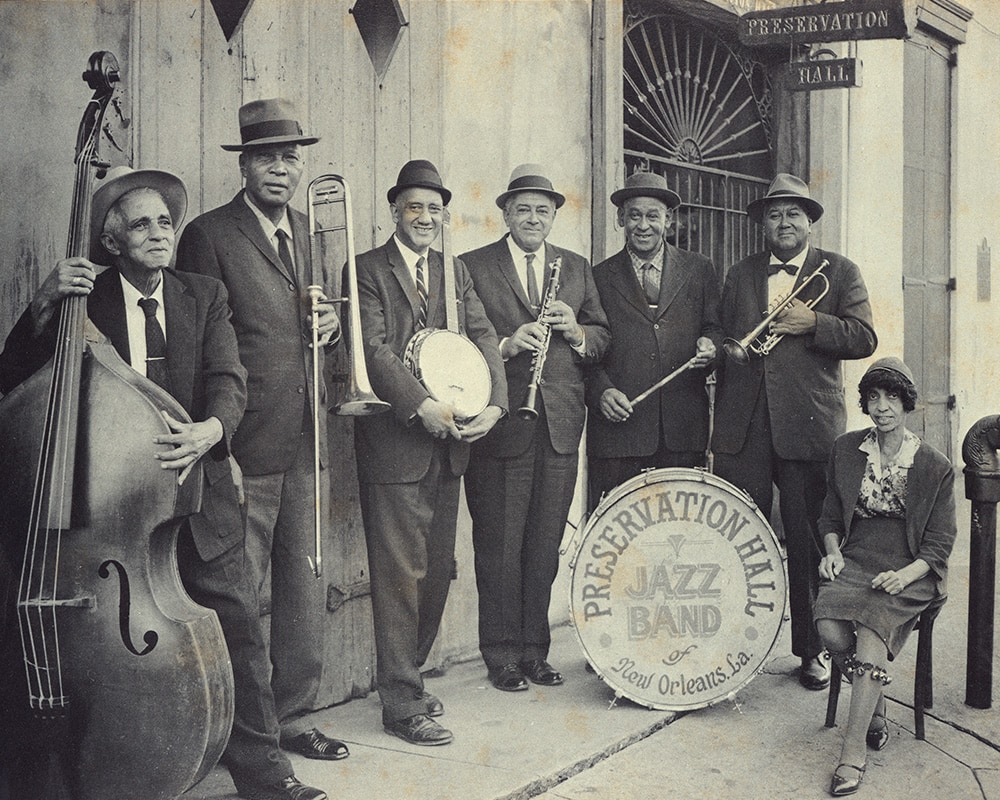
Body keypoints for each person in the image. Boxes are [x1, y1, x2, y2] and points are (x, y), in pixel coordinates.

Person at [0, 167, 327, 800]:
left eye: (165, 222)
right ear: (112, 241)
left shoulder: (202, 294)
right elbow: (12, 377)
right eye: (141, 224)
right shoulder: (80, 303)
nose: (159, 233)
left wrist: (212, 430)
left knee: (238, 629)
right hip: (111, 510)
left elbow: (229, 378)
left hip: (198, 492)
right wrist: (42, 304)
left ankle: (265, 775)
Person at [175, 99, 349, 764]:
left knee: (303, 590)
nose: (282, 168)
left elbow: (319, 333)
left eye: (291, 157)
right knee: (237, 600)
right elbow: (198, 350)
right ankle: (233, 730)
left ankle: (294, 718)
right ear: (244, 165)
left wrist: (330, 332)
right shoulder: (208, 234)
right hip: (242, 446)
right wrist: (220, 446)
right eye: (268, 157)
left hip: (308, 440)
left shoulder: (313, 231)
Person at [353, 159, 507, 745]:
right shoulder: (366, 269)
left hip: (453, 447)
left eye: (433, 209)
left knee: (438, 571)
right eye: (413, 207)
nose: (424, 217)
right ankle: (400, 703)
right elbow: (373, 348)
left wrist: (492, 404)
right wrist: (421, 405)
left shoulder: (455, 272)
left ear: (443, 215)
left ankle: (406, 679)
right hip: (397, 446)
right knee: (399, 577)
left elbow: (484, 336)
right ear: (395, 211)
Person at [713, 173, 877, 692]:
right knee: (737, 539)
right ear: (763, 222)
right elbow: (722, 331)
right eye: (775, 214)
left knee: (809, 546)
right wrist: (712, 343)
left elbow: (865, 338)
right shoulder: (740, 273)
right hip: (744, 427)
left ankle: (813, 652)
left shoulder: (840, 271)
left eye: (794, 214)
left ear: (809, 221)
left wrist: (814, 324)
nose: (784, 222)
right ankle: (737, 649)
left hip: (807, 427)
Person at [460, 164, 610, 692]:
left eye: (542, 211)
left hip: (560, 426)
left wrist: (575, 330)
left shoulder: (575, 267)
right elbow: (455, 342)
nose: (532, 218)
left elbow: (602, 337)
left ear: (552, 217)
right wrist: (503, 345)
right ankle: (499, 654)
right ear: (505, 212)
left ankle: (534, 650)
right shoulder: (471, 265)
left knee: (544, 544)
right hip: (502, 423)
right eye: (522, 209)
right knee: (499, 544)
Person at [814, 357, 956, 796]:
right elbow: (830, 517)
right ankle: (873, 710)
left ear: (906, 402)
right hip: (857, 555)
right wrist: (833, 553)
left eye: (891, 396)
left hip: (910, 564)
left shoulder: (934, 465)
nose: (882, 407)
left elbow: (938, 543)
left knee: (873, 626)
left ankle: (851, 754)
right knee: (829, 625)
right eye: (873, 397)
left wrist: (906, 575)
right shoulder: (846, 449)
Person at [586, 171, 721, 509]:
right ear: (621, 218)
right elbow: (586, 349)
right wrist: (601, 391)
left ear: (669, 220)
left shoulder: (699, 269)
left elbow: (716, 328)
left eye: (653, 216)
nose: (643, 225)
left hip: (683, 432)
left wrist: (711, 346)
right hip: (619, 435)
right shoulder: (597, 276)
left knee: (679, 535)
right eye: (634, 215)